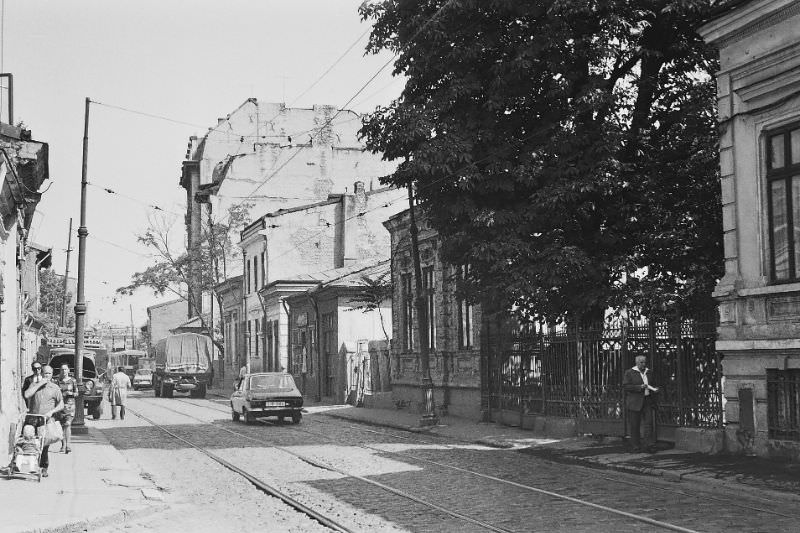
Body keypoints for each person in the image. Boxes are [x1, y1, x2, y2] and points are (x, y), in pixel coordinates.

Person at [23, 365, 64, 478]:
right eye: (45, 373)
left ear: (52, 375)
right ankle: (29, 466)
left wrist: (52, 411)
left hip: (46, 419)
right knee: (28, 440)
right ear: (41, 374)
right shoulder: (34, 384)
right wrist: (39, 384)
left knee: (44, 444)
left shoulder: (55, 388)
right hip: (32, 418)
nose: (47, 376)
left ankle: (43, 467)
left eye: (49, 374)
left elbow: (61, 404)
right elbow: (26, 394)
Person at [623, 355, 659, 453]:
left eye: (644, 362)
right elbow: (626, 386)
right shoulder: (630, 373)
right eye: (641, 362)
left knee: (649, 423)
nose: (643, 364)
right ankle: (636, 446)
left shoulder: (649, 372)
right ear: (637, 363)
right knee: (635, 425)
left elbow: (654, 383)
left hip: (647, 401)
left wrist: (655, 389)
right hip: (635, 402)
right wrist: (639, 387)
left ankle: (649, 445)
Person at [55, 363, 78, 454]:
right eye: (62, 369)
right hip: (60, 406)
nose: (64, 371)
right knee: (61, 426)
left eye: (65, 369)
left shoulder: (73, 381)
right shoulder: (57, 381)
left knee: (68, 424)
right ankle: (63, 445)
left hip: (70, 406)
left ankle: (68, 445)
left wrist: (71, 394)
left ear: (68, 370)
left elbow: (77, 393)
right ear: (60, 371)